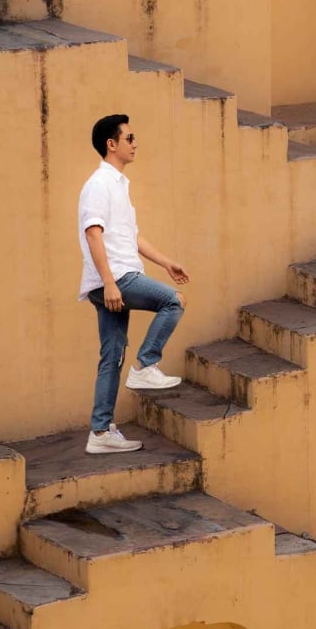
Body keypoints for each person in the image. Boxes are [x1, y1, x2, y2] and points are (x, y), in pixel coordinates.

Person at [78, 113, 190, 455]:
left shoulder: (119, 186)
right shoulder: (99, 184)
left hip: (113, 278)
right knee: (173, 301)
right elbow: (93, 233)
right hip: (117, 278)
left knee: (111, 356)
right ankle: (145, 365)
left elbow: (131, 236)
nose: (135, 143)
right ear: (111, 145)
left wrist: (166, 262)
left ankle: (100, 433)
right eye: (130, 138)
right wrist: (110, 283)